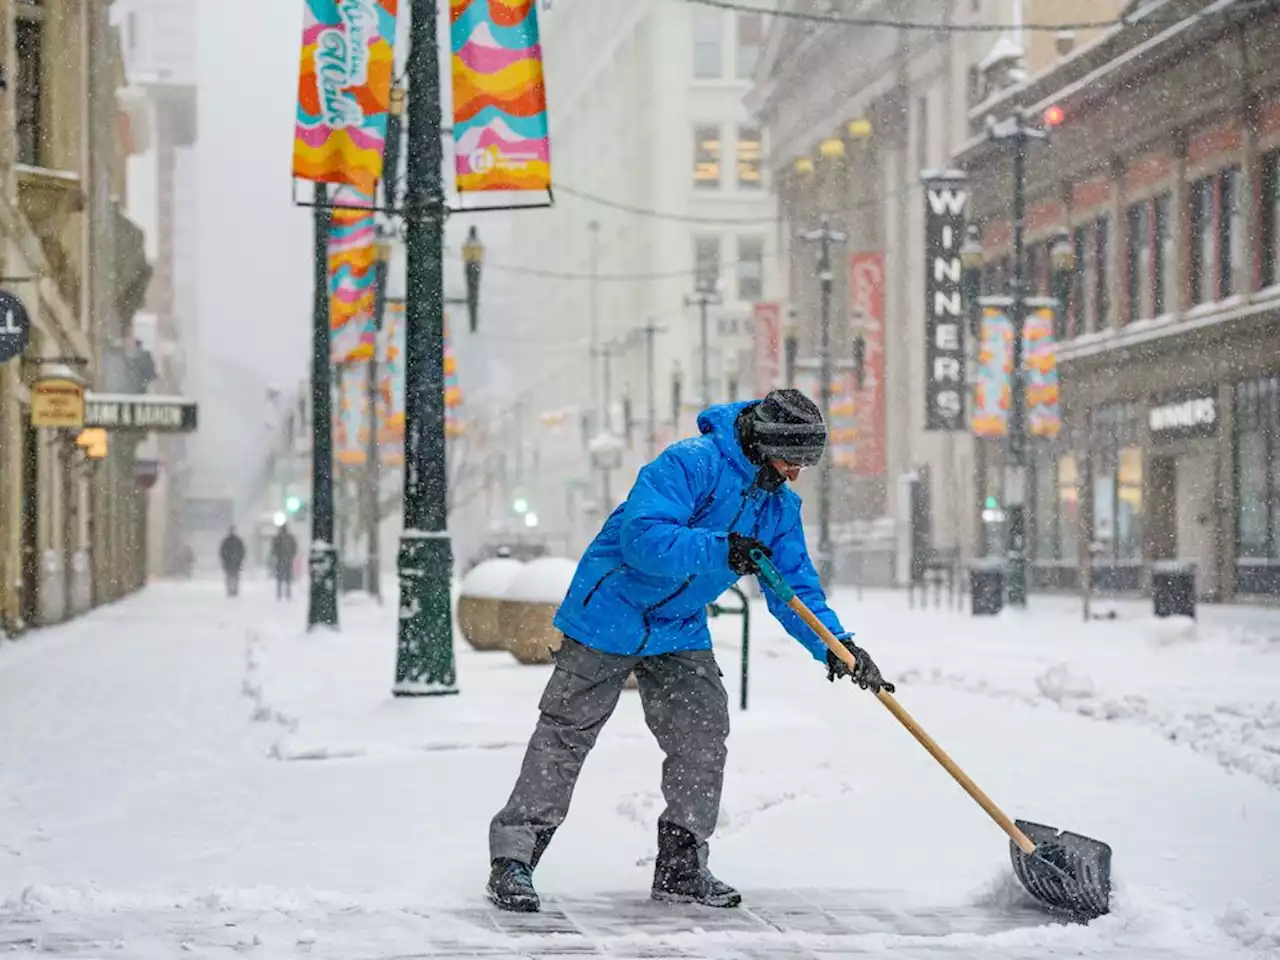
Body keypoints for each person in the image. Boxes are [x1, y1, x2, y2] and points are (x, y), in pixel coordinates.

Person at [486, 389, 894, 914]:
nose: (795, 474)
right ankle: (514, 859)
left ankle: (681, 864)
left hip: (678, 626)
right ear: (764, 442)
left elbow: (796, 590)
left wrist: (837, 647)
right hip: (609, 610)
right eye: (791, 460)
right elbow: (643, 539)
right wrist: (722, 548)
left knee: (702, 732)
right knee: (564, 736)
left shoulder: (777, 508)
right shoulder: (689, 463)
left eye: (804, 464)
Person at [269, 522, 298, 601]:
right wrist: (292, 555)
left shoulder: (278, 537)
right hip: (287, 559)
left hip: (281, 559)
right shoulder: (290, 538)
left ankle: (280, 594)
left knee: (280, 578)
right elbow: (294, 547)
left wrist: (277, 554)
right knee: (287, 577)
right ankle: (287, 593)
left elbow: (274, 548)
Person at [219, 526, 246, 597]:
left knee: (230, 576)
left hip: (230, 562)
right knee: (234, 576)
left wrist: (225, 559)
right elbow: (242, 551)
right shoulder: (237, 541)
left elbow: (222, 552)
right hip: (234, 562)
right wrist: (240, 559)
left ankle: (231, 589)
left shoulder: (226, 541)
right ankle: (233, 589)